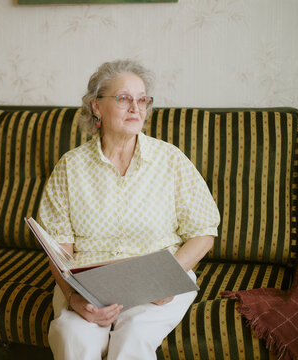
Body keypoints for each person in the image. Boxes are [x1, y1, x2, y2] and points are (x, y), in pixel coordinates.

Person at [38, 59, 220, 360]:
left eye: (142, 99)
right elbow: (59, 249)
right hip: (90, 288)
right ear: (96, 107)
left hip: (157, 284)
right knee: (72, 336)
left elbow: (204, 231)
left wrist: (167, 277)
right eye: (124, 99)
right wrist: (73, 297)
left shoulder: (169, 160)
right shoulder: (71, 167)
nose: (136, 108)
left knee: (133, 338)